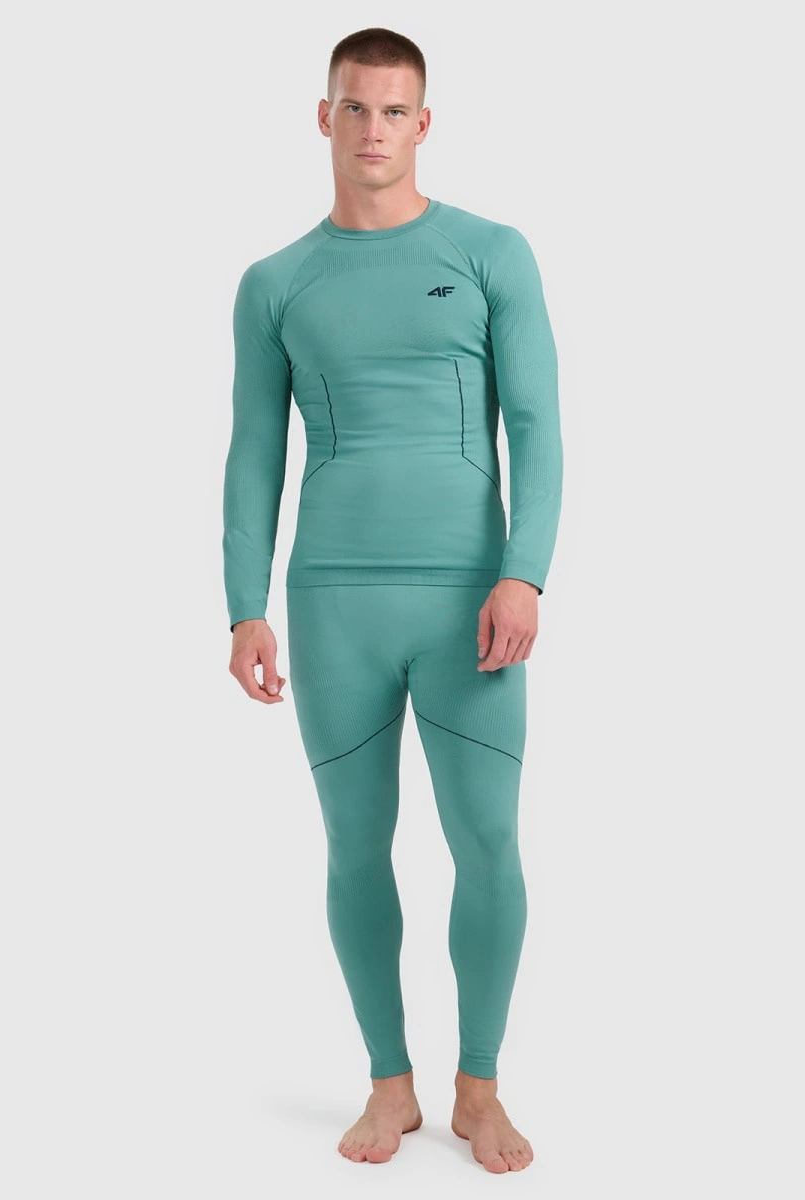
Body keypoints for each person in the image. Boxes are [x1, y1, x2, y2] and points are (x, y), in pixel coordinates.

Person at [221, 26, 563, 1175]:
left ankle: (480, 1088)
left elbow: (539, 427)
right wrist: (244, 604)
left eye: (396, 110)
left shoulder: (491, 253)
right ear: (326, 118)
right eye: (356, 108)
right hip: (334, 606)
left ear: (425, 123)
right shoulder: (276, 283)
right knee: (355, 847)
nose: (375, 130)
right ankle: (389, 1084)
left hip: (471, 603)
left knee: (489, 842)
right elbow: (253, 453)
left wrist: (524, 571)